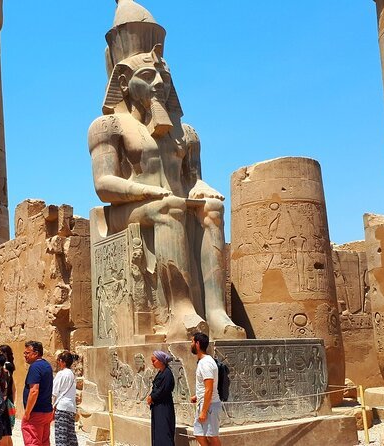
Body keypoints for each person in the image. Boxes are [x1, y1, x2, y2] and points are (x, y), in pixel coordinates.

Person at [88, 0, 245, 342]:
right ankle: (180, 310)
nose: (159, 82)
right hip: (125, 211)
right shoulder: (108, 126)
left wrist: (201, 186)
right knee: (169, 207)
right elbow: (104, 184)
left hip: (167, 200)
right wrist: (146, 191)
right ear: (123, 80)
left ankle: (216, 312)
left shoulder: (186, 133)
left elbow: (192, 178)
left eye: (164, 76)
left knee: (212, 209)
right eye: (148, 76)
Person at [190, 333, 221, 446]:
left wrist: (203, 411)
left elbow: (209, 389)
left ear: (197, 344)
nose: (191, 344)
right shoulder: (203, 361)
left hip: (209, 405)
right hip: (204, 403)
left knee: (211, 436)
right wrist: (197, 396)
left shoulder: (206, 363)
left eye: (192, 341)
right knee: (199, 434)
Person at [22, 340, 53, 446]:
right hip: (46, 411)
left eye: (27, 353)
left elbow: (34, 391)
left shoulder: (35, 367)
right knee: (44, 442)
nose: (25, 355)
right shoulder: (47, 365)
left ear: (35, 353)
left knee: (33, 442)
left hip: (36, 412)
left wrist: (27, 413)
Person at [147, 351, 175, 446]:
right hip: (158, 406)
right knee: (158, 432)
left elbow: (163, 390)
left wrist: (152, 397)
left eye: (154, 361)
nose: (152, 363)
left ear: (161, 361)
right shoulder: (160, 372)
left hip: (164, 407)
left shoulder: (167, 373)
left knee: (164, 432)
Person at [52, 351, 78, 446]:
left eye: (59, 361)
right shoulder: (72, 374)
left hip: (62, 407)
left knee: (61, 437)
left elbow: (54, 392)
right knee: (70, 436)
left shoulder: (61, 374)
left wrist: (52, 406)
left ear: (62, 362)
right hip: (71, 408)